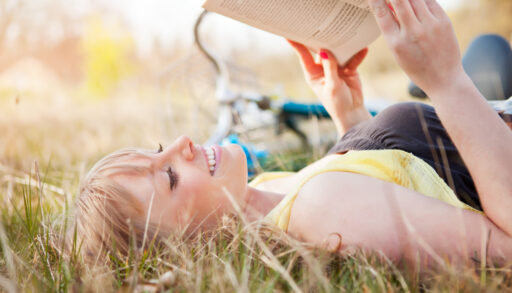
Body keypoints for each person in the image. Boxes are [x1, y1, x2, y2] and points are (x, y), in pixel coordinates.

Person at [72, 0, 512, 267]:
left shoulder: (260, 193)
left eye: (157, 150)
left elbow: (395, 184)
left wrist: (350, 120)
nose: (182, 144)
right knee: (489, 52)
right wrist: (446, 80)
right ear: (182, 249)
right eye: (167, 176)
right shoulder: (322, 214)